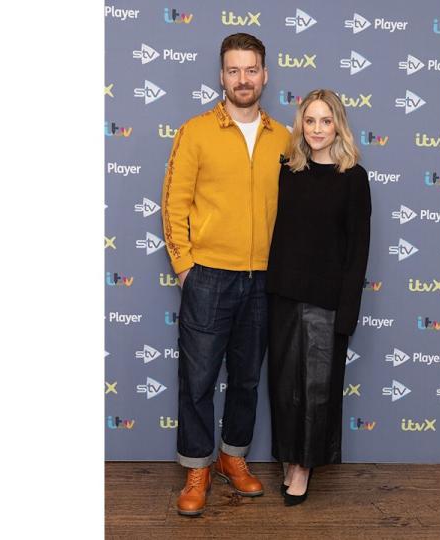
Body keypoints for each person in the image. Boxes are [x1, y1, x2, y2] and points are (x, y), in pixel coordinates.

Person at [160, 33, 291, 517]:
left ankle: (231, 459)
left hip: (264, 280)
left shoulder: (284, 137)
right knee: (196, 379)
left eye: (251, 69)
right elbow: (173, 203)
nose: (242, 79)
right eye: (233, 70)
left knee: (247, 380)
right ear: (221, 75)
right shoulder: (195, 131)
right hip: (209, 276)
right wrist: (185, 268)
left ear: (264, 75)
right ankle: (197, 468)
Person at [266, 89, 372, 506]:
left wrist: (347, 315)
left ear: (338, 125)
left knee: (316, 391)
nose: (316, 129)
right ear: (301, 124)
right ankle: (289, 457)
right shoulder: (288, 170)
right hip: (283, 298)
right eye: (309, 120)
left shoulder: (354, 179)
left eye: (325, 121)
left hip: (327, 303)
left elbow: (358, 250)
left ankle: (303, 468)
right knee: (285, 387)